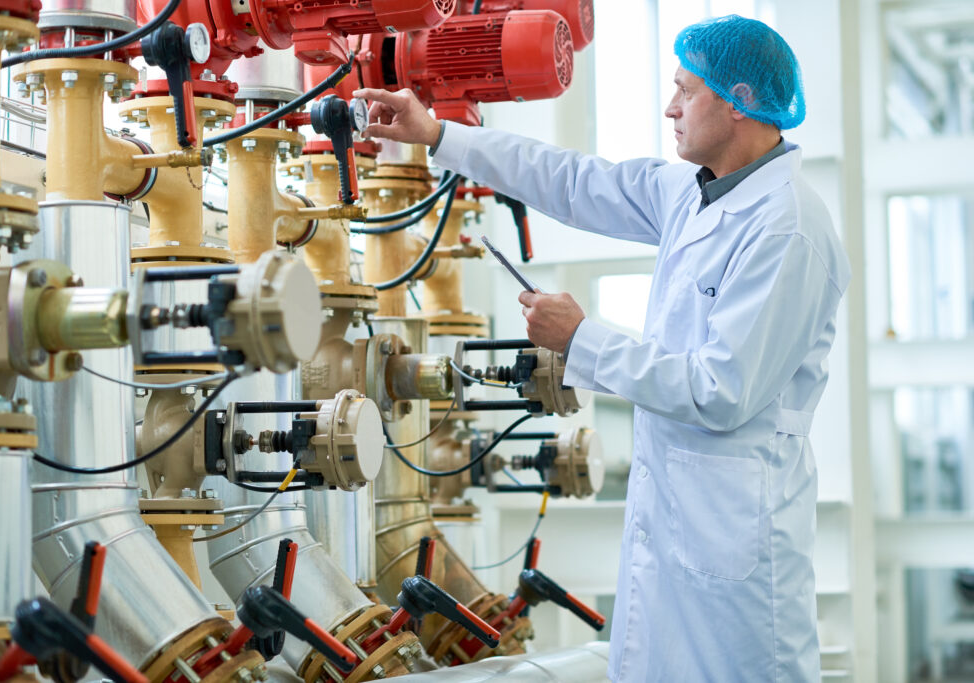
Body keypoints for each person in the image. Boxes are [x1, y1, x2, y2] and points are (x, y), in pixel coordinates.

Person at [357, 13, 850, 682]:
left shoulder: (787, 228)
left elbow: (720, 391)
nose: (670, 106)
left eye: (686, 90)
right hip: (679, 527)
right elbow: (572, 180)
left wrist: (581, 338)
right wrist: (439, 135)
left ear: (737, 101)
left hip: (736, 543)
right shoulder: (694, 190)